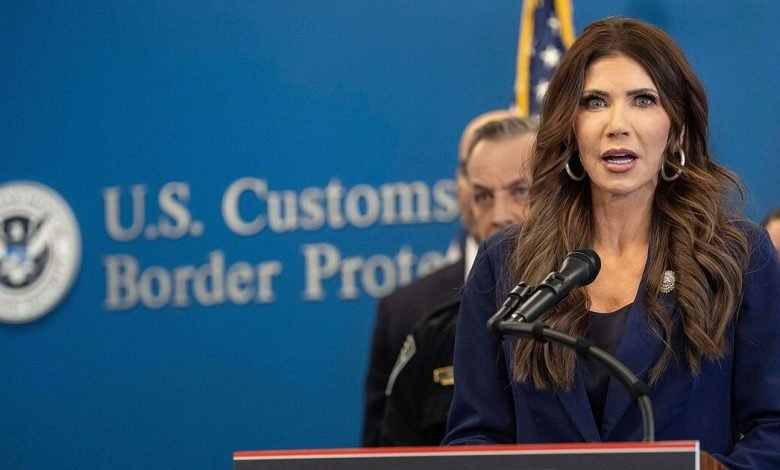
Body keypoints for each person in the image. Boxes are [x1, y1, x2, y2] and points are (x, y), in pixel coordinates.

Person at [443, 17, 780, 470]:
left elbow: (773, 430)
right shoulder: (504, 261)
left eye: (643, 100)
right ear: (570, 128)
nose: (616, 125)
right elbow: (474, 437)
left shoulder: (737, 256)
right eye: (595, 102)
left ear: (677, 128)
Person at [361, 109, 520, 446]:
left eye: (521, 190)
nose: (500, 215)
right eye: (484, 196)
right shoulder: (421, 324)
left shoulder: (595, 303)